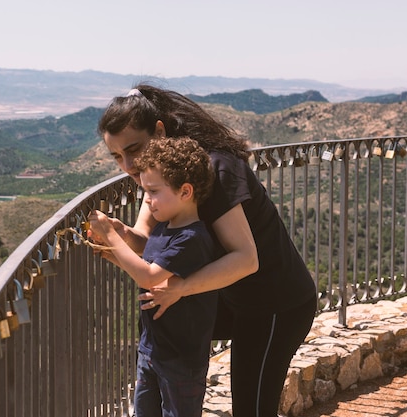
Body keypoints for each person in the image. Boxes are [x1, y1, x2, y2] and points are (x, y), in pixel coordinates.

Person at [95, 84, 317, 417]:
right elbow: (150, 242)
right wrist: (123, 235)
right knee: (159, 321)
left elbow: (246, 259)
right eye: (117, 156)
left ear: (159, 130)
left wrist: (181, 286)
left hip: (275, 304)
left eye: (134, 149)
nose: (129, 165)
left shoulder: (214, 171)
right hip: (232, 298)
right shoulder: (159, 172)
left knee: (252, 410)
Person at [88, 137, 220, 417]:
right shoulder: (164, 228)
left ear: (185, 191)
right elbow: (147, 262)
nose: (147, 200)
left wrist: (111, 234)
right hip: (152, 348)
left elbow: (149, 277)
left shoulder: (191, 238)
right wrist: (112, 250)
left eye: (154, 191)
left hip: (181, 358)